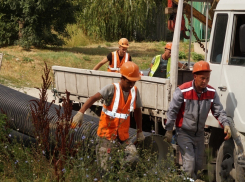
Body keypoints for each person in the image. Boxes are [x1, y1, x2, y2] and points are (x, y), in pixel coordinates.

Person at [72, 61, 145, 172]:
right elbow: (93, 98)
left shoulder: (134, 91)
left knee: (133, 157)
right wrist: (81, 112)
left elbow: (138, 110)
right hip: (106, 136)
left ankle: (118, 174)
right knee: (105, 170)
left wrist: (139, 131)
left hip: (123, 137)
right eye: (129, 82)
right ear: (122, 78)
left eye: (133, 83)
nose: (131, 85)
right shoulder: (111, 89)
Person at [164, 61, 231, 179]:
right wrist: (169, 130)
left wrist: (226, 124)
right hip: (184, 133)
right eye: (202, 78)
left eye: (207, 78)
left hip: (199, 134)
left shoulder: (211, 93)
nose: (205, 81)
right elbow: (172, 111)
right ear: (194, 76)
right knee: (189, 165)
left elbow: (218, 111)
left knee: (199, 167)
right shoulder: (182, 91)